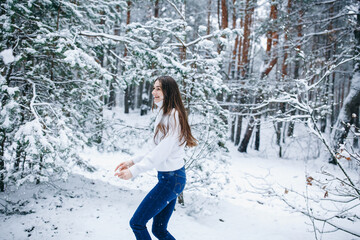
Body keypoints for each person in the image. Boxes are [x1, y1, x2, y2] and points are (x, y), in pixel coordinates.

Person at [114, 76, 197, 240]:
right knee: (159, 230)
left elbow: (162, 152)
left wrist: (134, 171)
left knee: (137, 223)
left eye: (158, 88)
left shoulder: (173, 115)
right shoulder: (165, 114)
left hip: (171, 180)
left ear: (168, 91)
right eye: (154, 88)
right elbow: (155, 148)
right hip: (172, 179)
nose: (154, 92)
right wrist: (132, 161)